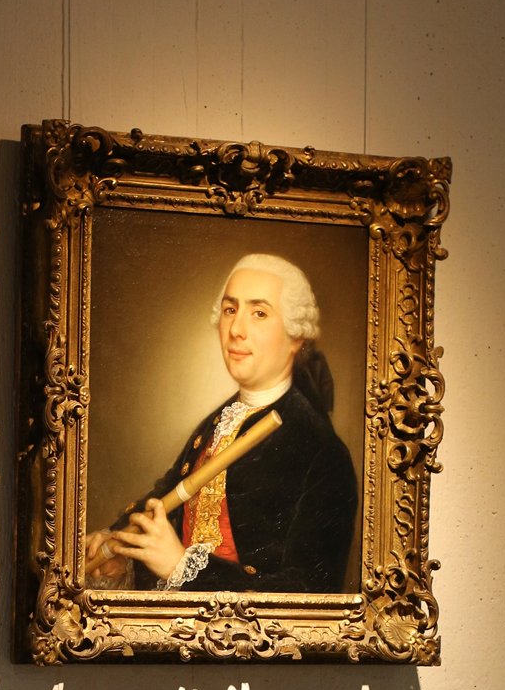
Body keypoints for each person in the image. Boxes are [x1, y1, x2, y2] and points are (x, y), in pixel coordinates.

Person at [85, 254, 358, 595]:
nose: (236, 330)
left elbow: (310, 594)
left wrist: (181, 567)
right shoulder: (217, 425)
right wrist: (122, 555)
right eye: (231, 310)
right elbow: (168, 507)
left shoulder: (322, 452)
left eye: (259, 313)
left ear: (296, 337)